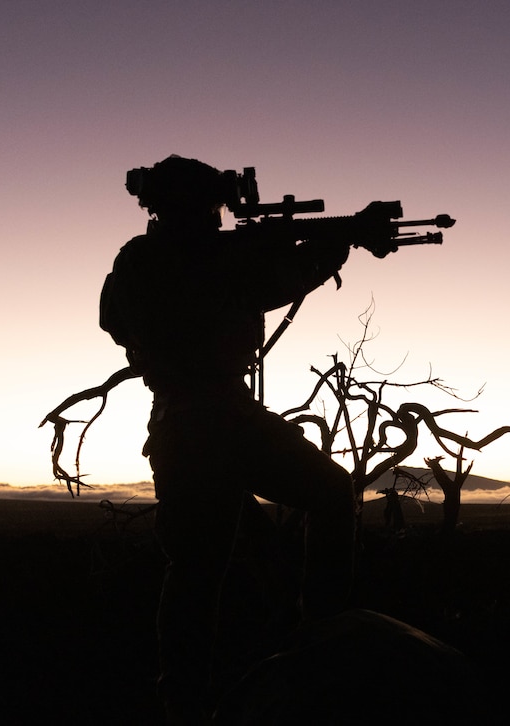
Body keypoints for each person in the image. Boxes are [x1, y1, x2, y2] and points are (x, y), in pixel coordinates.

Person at [99, 155, 356, 724]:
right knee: (199, 568)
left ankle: (314, 640)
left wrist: (317, 246)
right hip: (196, 423)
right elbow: (261, 286)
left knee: (326, 500)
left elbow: (246, 285)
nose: (217, 218)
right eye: (208, 207)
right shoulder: (153, 261)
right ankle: (190, 700)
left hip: (218, 418)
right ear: (182, 207)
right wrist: (325, 253)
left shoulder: (150, 259)